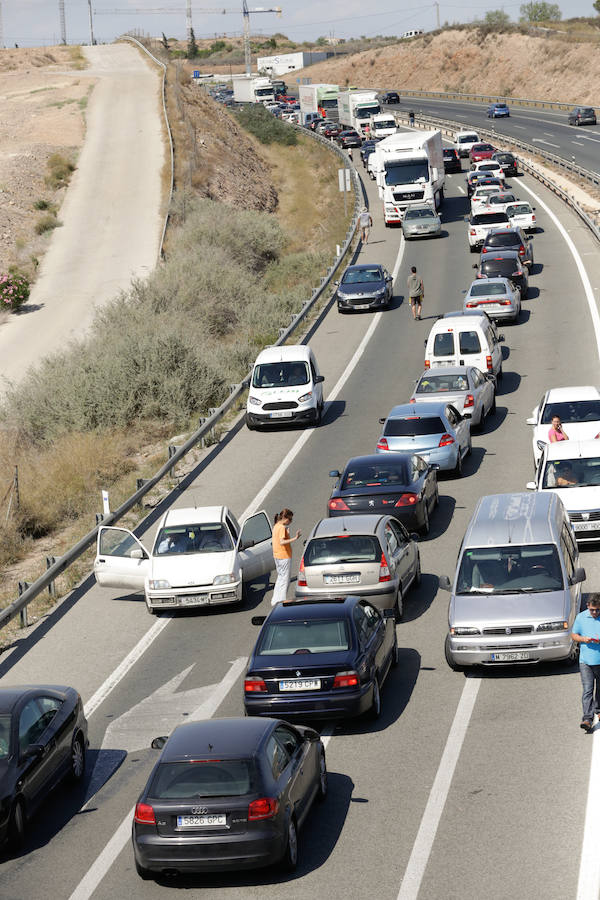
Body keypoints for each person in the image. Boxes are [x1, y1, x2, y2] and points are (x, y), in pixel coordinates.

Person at [571, 595, 600, 733]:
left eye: (598, 610)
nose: (595, 613)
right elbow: (574, 635)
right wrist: (583, 639)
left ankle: (598, 710)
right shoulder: (581, 617)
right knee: (588, 690)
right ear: (588, 605)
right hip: (586, 662)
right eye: (593, 610)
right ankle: (587, 719)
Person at [271, 509, 301, 606]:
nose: (291, 522)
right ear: (285, 518)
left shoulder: (276, 526)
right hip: (284, 556)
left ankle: (275, 600)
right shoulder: (281, 528)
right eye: (290, 519)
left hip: (277, 555)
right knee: (285, 580)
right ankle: (282, 601)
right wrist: (295, 538)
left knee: (280, 578)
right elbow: (282, 542)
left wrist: (287, 533)